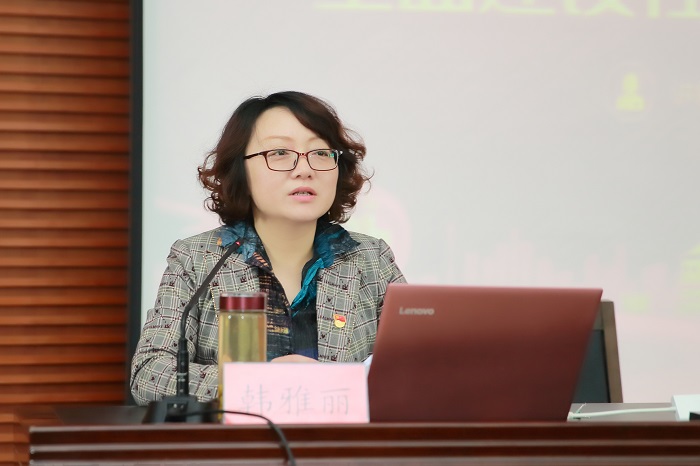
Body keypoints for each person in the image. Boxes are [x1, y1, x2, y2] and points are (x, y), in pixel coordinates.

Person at [130, 91, 406, 405]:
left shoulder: (371, 258)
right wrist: (259, 380)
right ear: (241, 170)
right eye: (280, 153)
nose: (305, 169)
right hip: (239, 437)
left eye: (320, 153)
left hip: (340, 437)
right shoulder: (197, 258)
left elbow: (418, 367)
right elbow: (148, 374)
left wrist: (337, 383)